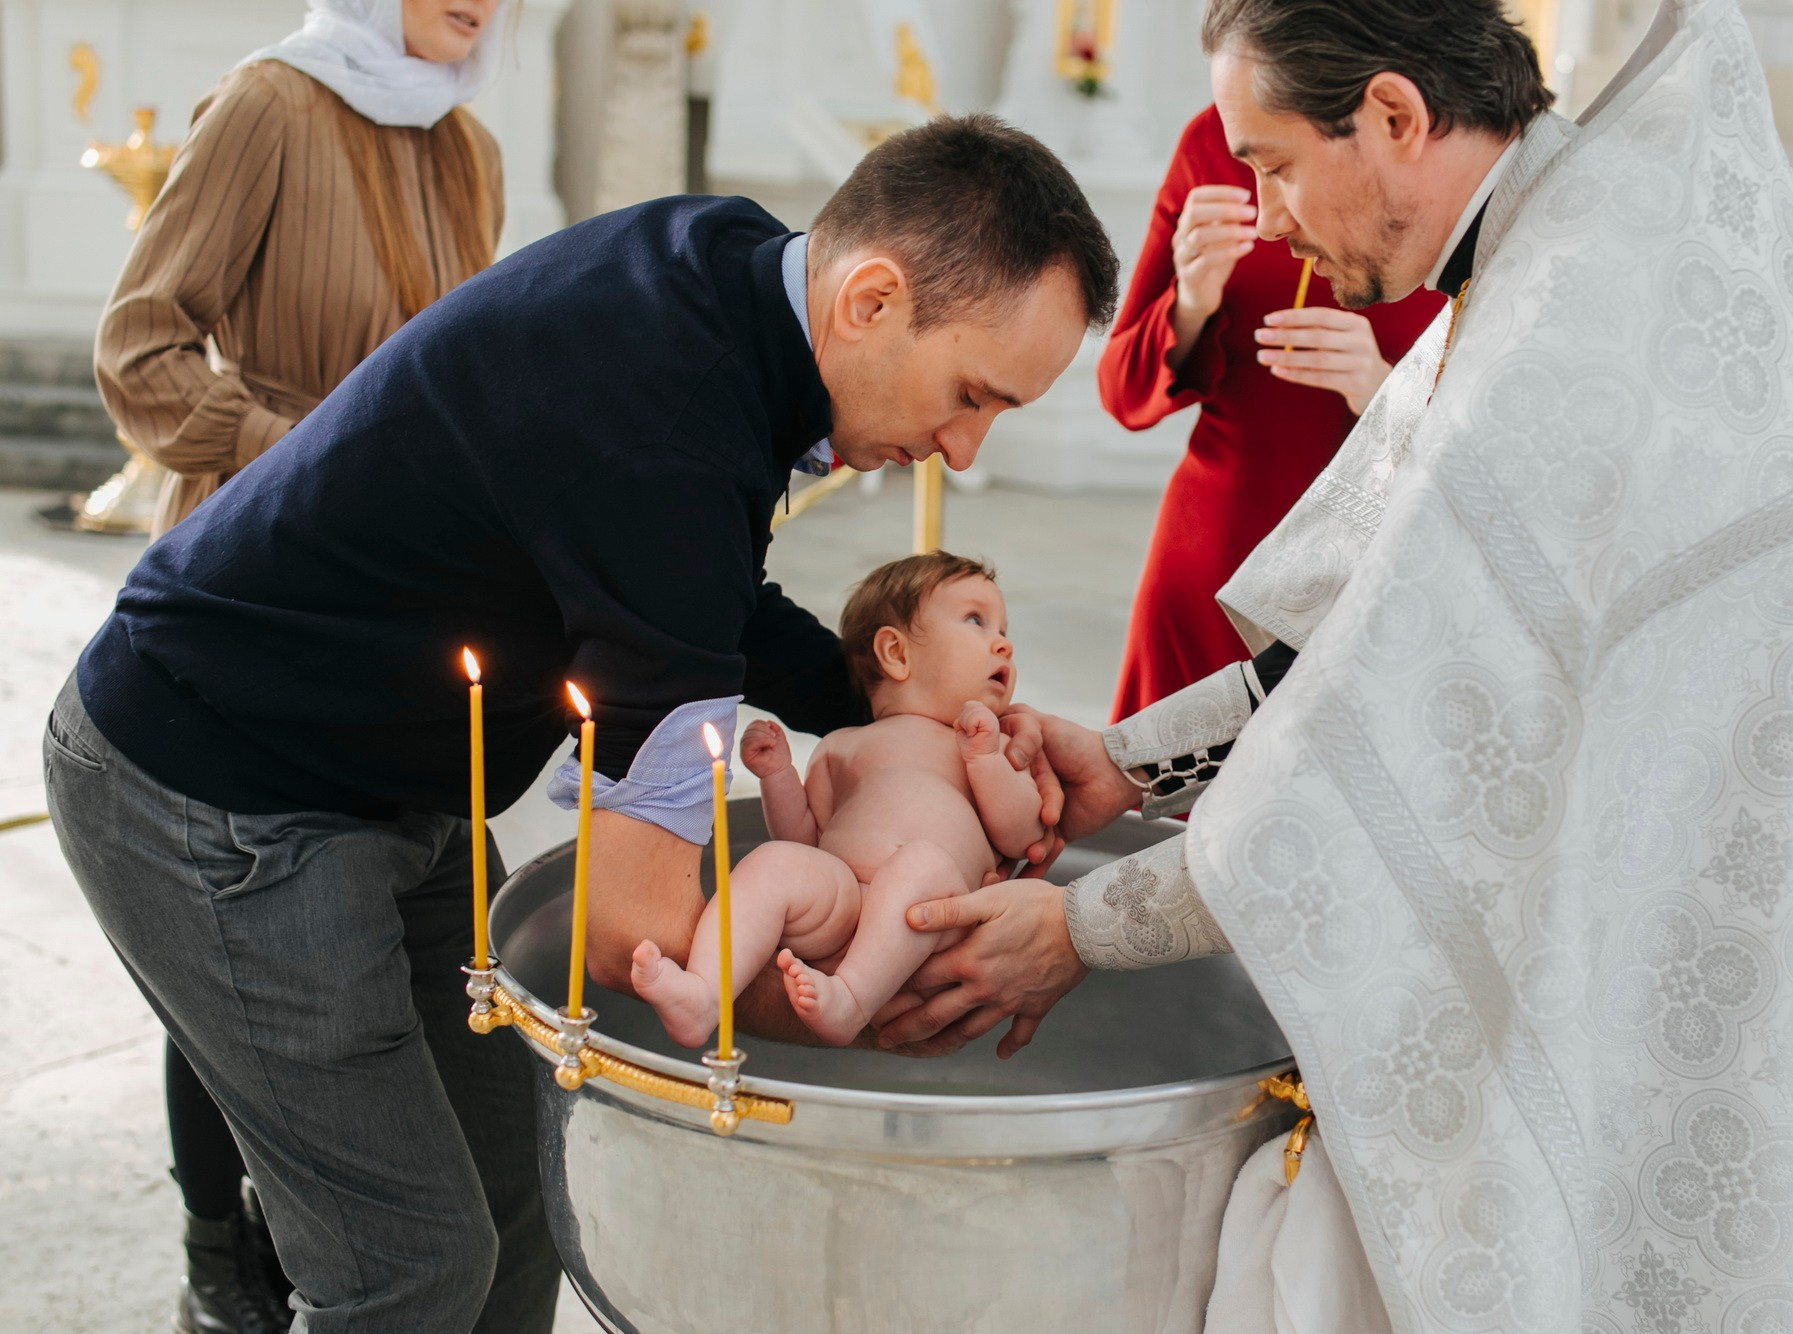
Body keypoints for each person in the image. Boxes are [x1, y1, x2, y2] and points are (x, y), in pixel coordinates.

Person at [882, 0, 1793, 1325]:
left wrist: (1078, 927)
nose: (1266, 211)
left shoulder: (1561, 326)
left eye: (1275, 160)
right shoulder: (1556, 239)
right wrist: (1124, 761)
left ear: (1398, 119)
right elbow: (1360, 651)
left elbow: (1384, 758)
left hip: (1713, 954)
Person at [45, 115, 1116, 1331]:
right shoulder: (658, 414)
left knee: (521, 1201)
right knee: (406, 1263)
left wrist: (922, 710)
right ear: (868, 299)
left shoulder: (731, 275)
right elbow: (631, 935)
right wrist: (872, 992)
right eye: (971, 394)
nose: (964, 450)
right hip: (214, 785)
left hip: (396, 776)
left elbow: (709, 592)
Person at [91, 2, 507, 1328]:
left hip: (405, 603)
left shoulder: (470, 147)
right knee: (236, 927)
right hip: (257, 574)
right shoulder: (268, 105)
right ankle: (223, 1260)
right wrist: (313, 463)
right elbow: (138, 347)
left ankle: (324, 1215)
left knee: (375, 925)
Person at [1098, 106, 1443, 720]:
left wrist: (1383, 389)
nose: (1272, 218)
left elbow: (1507, 451)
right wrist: (1190, 303)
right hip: (1211, 562)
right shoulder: (1214, 136)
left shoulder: (1446, 159)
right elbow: (1122, 391)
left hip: (1376, 584)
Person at [631, 552, 1043, 1047]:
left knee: (924, 863)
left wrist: (986, 761)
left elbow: (1024, 836)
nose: (1004, 643)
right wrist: (778, 776)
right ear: (895, 652)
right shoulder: (842, 744)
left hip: (928, 921)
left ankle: (851, 999)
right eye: (977, 620)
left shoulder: (986, 744)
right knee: (775, 861)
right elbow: (805, 837)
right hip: (840, 902)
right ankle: (704, 994)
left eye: (1003, 628)